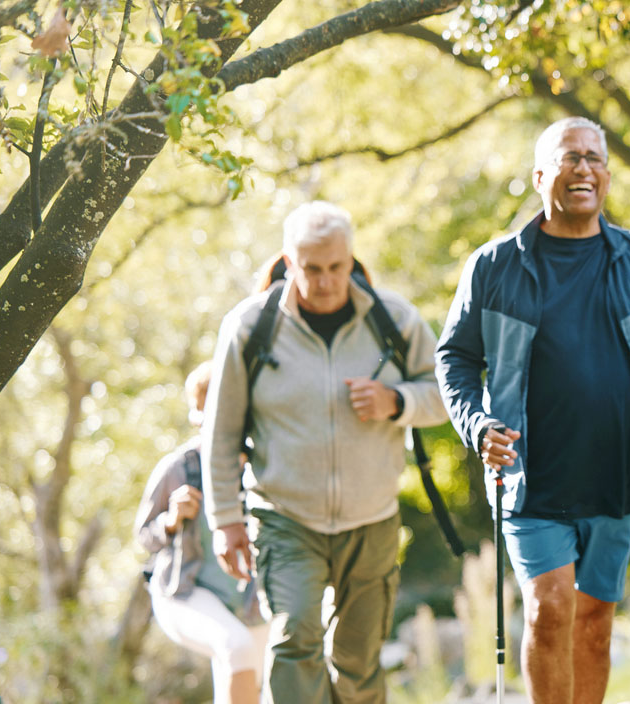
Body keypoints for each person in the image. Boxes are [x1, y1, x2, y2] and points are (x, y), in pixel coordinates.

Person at [435, 116, 630, 704]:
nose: (584, 168)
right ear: (541, 175)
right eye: (570, 157)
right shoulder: (494, 266)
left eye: (595, 158)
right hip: (529, 479)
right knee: (550, 609)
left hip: (616, 472)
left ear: (605, 175)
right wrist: (476, 425)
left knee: (595, 623)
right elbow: (454, 359)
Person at [201, 201, 449, 704]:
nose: (325, 280)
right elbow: (220, 432)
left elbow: (445, 394)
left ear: (350, 257)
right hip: (286, 518)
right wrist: (225, 520)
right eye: (311, 269)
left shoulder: (393, 320)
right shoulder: (249, 328)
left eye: (336, 267)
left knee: (359, 657)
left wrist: (396, 401)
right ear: (289, 262)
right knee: (295, 641)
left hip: (372, 516)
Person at [134, 362, 268, 704]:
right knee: (236, 649)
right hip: (184, 592)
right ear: (197, 415)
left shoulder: (264, 468)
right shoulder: (179, 469)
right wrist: (171, 519)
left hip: (250, 600)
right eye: (209, 409)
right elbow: (143, 537)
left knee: (254, 685)